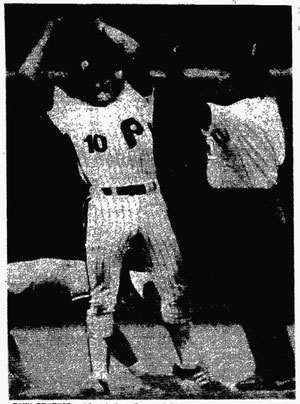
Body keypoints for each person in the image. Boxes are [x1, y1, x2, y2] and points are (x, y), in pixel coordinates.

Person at [18, 15, 221, 395]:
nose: (98, 84)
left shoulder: (135, 94)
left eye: (104, 76)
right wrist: (47, 34)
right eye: (89, 79)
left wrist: (99, 27)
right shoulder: (70, 110)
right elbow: (27, 77)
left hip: (150, 199)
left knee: (174, 289)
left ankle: (190, 365)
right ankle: (99, 378)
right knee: (102, 297)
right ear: (78, 83)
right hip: (105, 205)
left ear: (115, 73)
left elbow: (138, 52)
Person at [201, 46, 295, 391]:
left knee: (255, 299)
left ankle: (280, 370)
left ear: (242, 82)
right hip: (263, 206)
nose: (221, 80)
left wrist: (172, 68)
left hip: (247, 210)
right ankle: (276, 369)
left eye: (227, 75)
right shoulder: (268, 107)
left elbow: (190, 109)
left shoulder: (239, 114)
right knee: (258, 298)